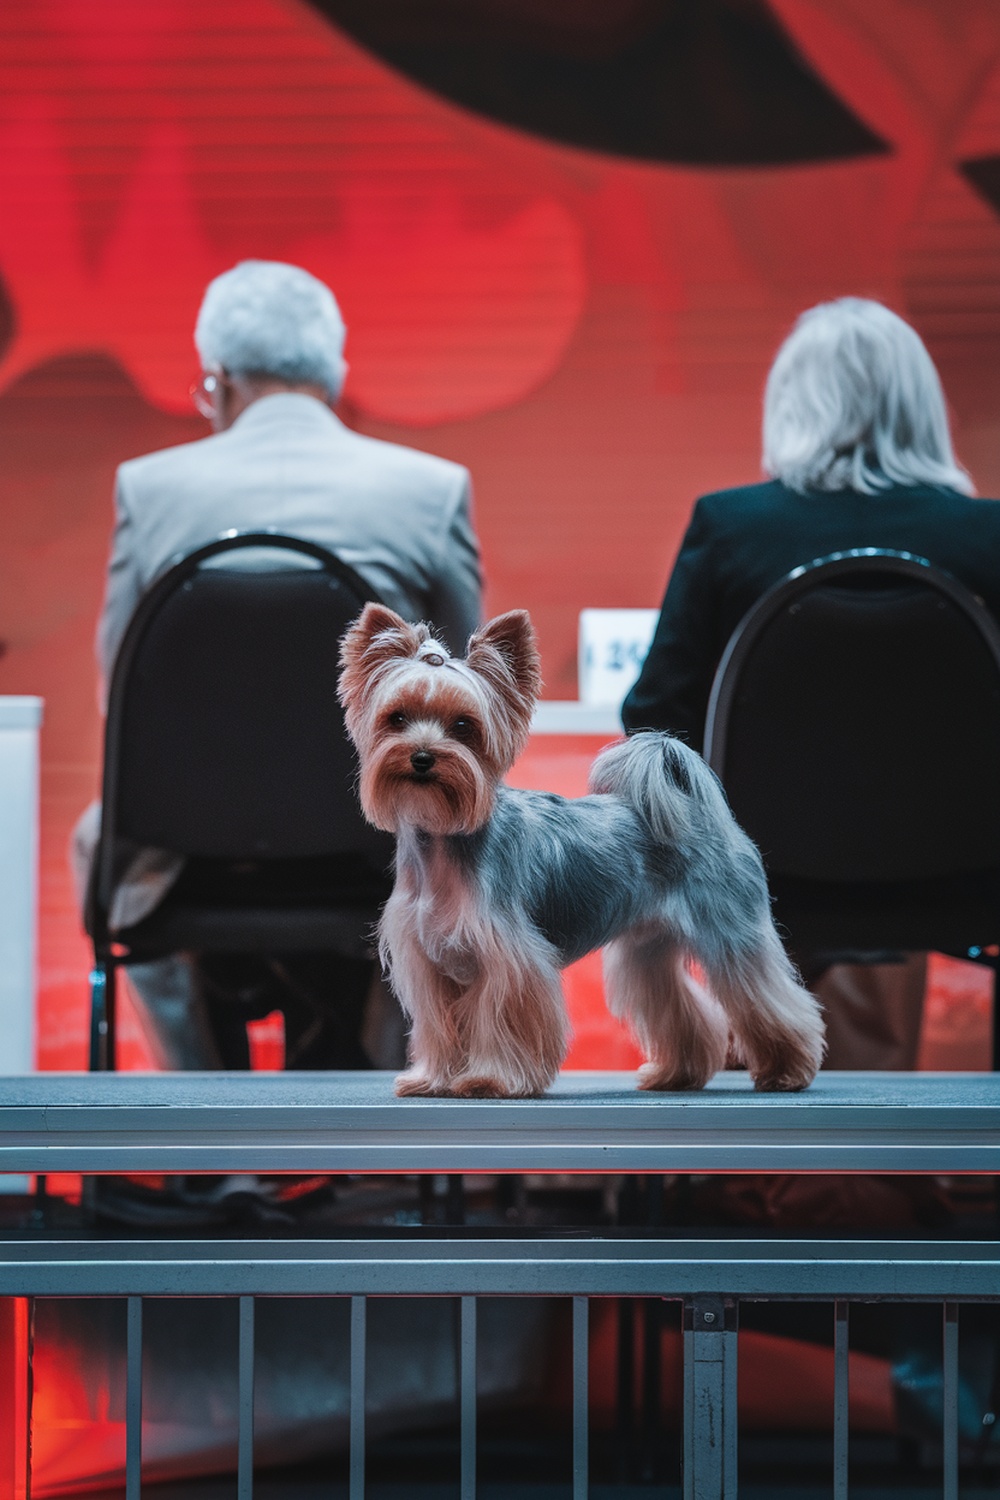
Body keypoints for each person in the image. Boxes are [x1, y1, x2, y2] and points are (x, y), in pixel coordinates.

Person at [75, 260, 482, 1070]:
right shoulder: (430, 490)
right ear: (335, 376)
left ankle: (197, 1100)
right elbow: (470, 699)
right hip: (373, 842)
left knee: (99, 841)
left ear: (217, 383)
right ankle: (371, 1116)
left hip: (189, 848)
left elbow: (116, 690)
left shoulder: (148, 490)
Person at [622, 296, 1000, 1068]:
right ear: (922, 408)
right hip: (970, 879)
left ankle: (718, 1170)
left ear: (790, 406)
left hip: (763, 877)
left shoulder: (729, 528)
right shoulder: (988, 538)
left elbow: (654, 723)